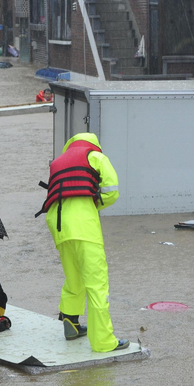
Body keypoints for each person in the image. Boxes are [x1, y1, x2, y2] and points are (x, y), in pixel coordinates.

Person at [35, 132, 129, 352]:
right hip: (83, 224)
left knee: (74, 275)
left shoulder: (59, 161)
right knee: (97, 284)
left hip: (57, 223)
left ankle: (71, 323)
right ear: (94, 144)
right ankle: (104, 342)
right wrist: (93, 205)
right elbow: (111, 190)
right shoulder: (95, 156)